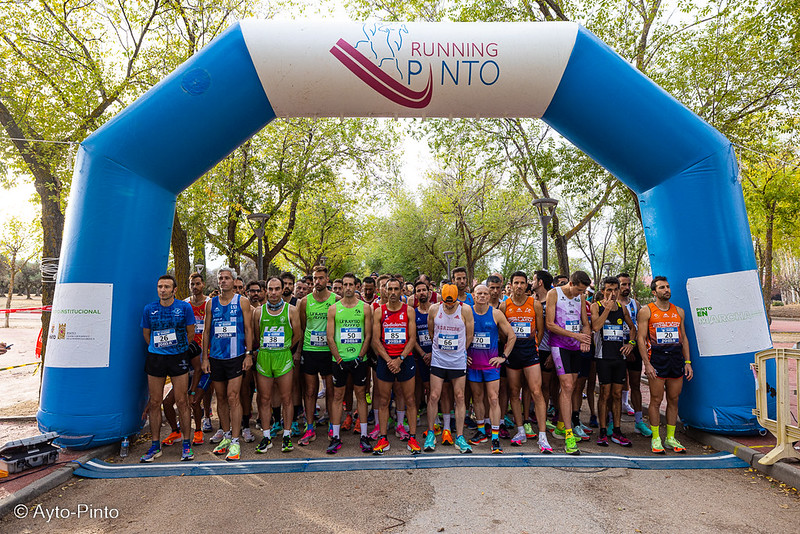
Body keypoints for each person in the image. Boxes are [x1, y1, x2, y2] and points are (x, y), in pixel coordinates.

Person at [140, 275, 197, 462]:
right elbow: (146, 334)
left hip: (178, 357)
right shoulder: (149, 309)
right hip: (156, 358)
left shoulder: (184, 307)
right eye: (159, 286)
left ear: (174, 290)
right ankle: (155, 446)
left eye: (166, 287)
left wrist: (178, 350)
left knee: (182, 402)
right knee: (155, 403)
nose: (162, 290)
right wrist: (159, 349)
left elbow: (191, 333)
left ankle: (186, 444)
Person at [202, 267, 254, 461]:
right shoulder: (211, 303)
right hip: (216, 357)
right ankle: (224, 435)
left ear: (233, 281)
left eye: (226, 278)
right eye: (220, 278)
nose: (223, 281)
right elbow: (207, 332)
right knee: (220, 398)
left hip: (236, 356)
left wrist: (248, 354)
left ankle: (235, 440)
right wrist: (205, 358)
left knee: (233, 397)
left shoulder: (242, 301)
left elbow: (249, 329)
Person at [637, 276, 693, 454]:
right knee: (655, 400)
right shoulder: (647, 311)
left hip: (675, 359)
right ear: (654, 292)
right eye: (662, 287)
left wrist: (688, 362)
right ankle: (656, 438)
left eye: (667, 287)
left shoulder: (679, 312)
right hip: (657, 359)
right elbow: (640, 338)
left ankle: (670, 437)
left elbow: (683, 338)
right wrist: (647, 363)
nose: (666, 290)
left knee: (674, 399)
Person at [500, 271, 552, 453]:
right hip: (512, 353)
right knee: (514, 392)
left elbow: (540, 330)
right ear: (511, 284)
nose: (519, 286)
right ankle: (520, 430)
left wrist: (533, 343)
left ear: (527, 285)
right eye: (516, 283)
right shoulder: (504, 305)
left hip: (530, 352)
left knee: (536, 392)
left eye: (522, 283)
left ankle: (543, 436)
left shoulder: (535, 304)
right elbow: (501, 332)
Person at [371, 277, 420, 455]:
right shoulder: (379, 311)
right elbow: (376, 340)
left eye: (395, 289)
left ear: (401, 291)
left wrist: (399, 359)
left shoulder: (409, 311)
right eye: (389, 289)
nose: (392, 293)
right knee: (383, 401)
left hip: (404, 359)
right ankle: (383, 438)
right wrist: (389, 360)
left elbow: (412, 338)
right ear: (384, 290)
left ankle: (413, 437)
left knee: (410, 400)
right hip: (386, 359)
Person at [326, 273, 374, 454]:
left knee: (361, 396)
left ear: (356, 286)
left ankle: (364, 435)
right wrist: (338, 358)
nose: (347, 288)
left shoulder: (365, 308)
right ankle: (335, 437)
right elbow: (330, 337)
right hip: (338, 360)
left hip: (358, 360)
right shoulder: (333, 309)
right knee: (338, 397)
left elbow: (368, 335)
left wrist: (360, 357)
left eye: (350, 284)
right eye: (344, 284)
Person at [252, 277, 301, 453]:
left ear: (282, 290)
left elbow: (298, 333)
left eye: (277, 289)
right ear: (266, 290)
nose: (273, 293)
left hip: (283, 357)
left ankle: (286, 436)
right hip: (265, 357)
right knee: (264, 399)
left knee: (286, 398)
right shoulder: (258, 312)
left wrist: (287, 346)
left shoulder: (292, 310)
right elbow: (257, 336)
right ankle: (266, 437)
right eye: (270, 289)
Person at [424, 284, 474, 453]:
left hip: (458, 360)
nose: (449, 306)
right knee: (434, 395)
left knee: (459, 396)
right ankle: (431, 433)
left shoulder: (465, 310)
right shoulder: (434, 309)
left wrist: (461, 351)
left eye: (452, 304)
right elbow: (432, 332)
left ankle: (459, 437)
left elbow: (470, 334)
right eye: (446, 303)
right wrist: (438, 348)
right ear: (442, 298)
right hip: (438, 359)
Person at [546, 270, 592, 455]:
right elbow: (550, 324)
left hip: (576, 347)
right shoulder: (554, 293)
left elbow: (585, 322)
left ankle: (559, 426)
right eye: (579, 290)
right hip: (559, 345)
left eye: (583, 291)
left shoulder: (580, 298)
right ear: (571, 284)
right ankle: (568, 434)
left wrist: (586, 339)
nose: (580, 294)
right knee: (566, 386)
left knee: (572, 386)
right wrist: (576, 336)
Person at [468, 284, 516, 454]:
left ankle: (495, 436)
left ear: (489, 296)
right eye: (479, 293)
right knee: (477, 398)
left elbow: (512, 336)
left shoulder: (495, 313)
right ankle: (481, 431)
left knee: (493, 398)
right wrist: (462, 354)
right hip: (473, 364)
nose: (482, 296)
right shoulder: (467, 312)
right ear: (473, 295)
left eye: (485, 294)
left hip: (491, 365)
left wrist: (503, 356)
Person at [591, 276, 637, 447]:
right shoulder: (596, 306)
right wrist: (607, 310)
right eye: (608, 290)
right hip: (603, 357)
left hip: (619, 357)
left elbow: (632, 327)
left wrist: (630, 344)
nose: (612, 293)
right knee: (605, 394)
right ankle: (602, 432)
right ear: (603, 291)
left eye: (615, 290)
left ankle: (617, 430)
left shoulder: (623, 308)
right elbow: (595, 327)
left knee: (617, 394)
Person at [618, 272, 650, 437]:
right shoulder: (610, 303)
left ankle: (639, 422)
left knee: (635, 384)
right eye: (623, 284)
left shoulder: (635, 304)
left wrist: (633, 345)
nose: (627, 288)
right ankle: (612, 423)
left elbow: (638, 328)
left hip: (633, 347)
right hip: (615, 347)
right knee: (615, 387)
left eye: (628, 284)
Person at [185, 272, 214, 434]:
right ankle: (195, 412)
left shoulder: (210, 303)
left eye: (197, 284)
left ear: (203, 285)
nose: (195, 287)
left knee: (207, 387)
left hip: (208, 351)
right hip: (191, 351)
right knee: (191, 384)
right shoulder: (185, 304)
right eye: (192, 284)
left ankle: (207, 416)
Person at [413, 280, 433, 423]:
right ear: (415, 295)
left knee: (438, 387)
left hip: (438, 355)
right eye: (418, 291)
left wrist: (434, 353)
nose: (421, 293)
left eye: (423, 290)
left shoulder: (437, 309)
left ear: (429, 292)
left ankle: (437, 416)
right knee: (424, 385)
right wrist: (423, 354)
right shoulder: (413, 313)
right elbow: (412, 337)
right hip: (421, 355)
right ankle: (421, 410)